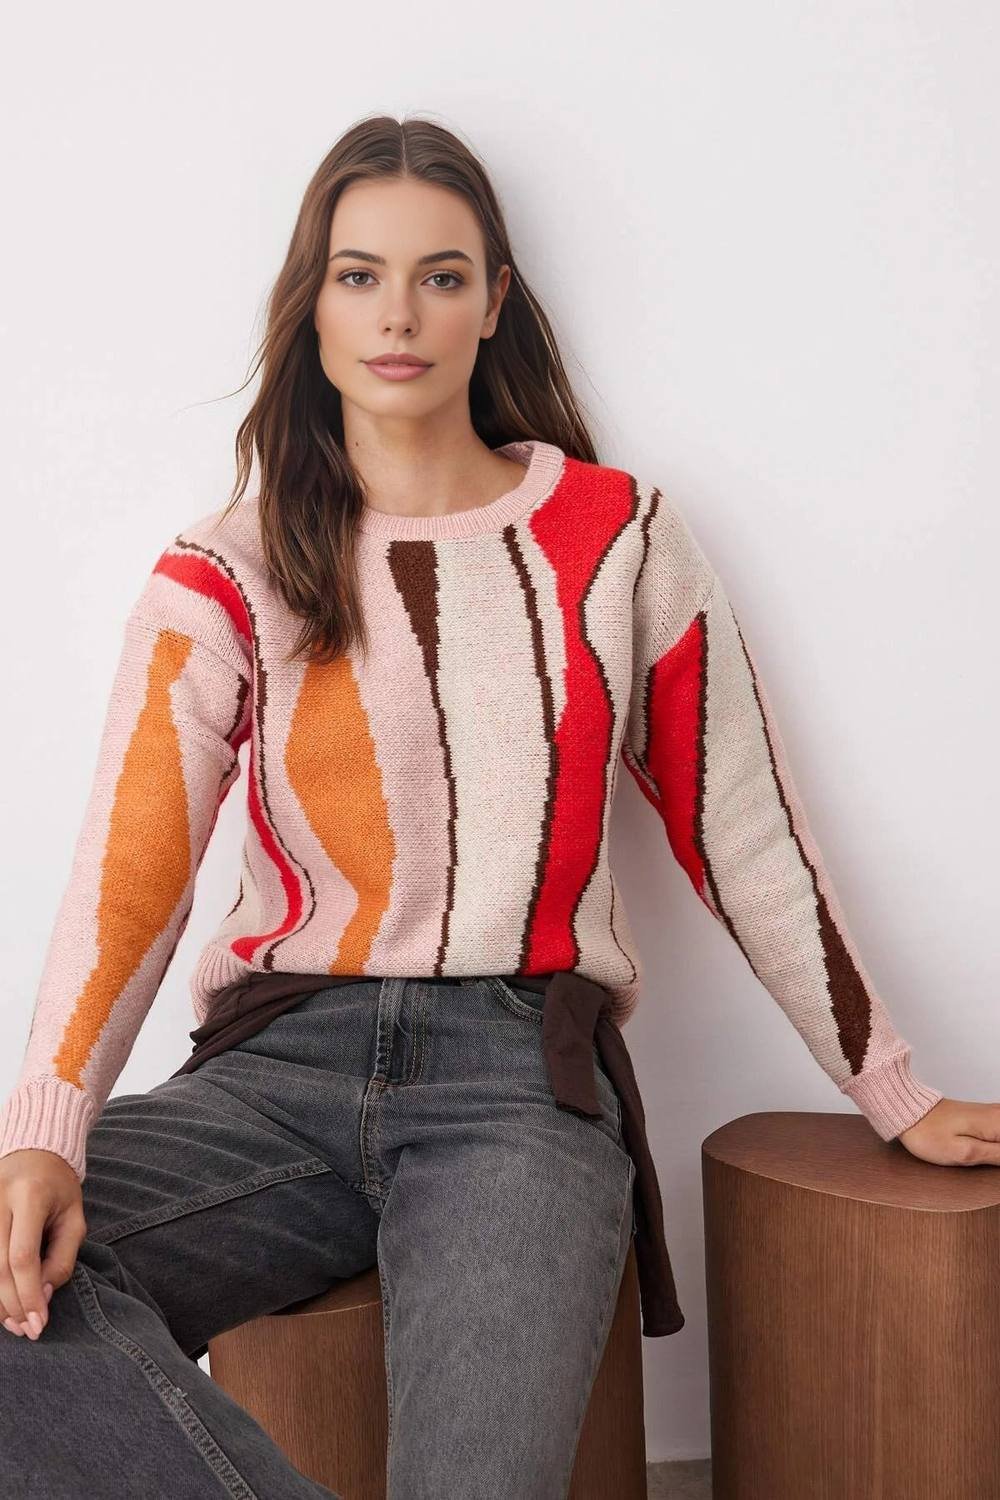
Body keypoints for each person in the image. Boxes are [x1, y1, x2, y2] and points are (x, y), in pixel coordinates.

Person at [0, 113, 994, 1500]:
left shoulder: (619, 536)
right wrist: (45, 1131)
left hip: (522, 1087)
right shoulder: (227, 570)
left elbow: (744, 830)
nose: (398, 315)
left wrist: (891, 1084)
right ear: (310, 304)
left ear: (494, 300)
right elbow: (131, 872)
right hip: (274, 1075)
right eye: (359, 275)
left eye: (442, 276)